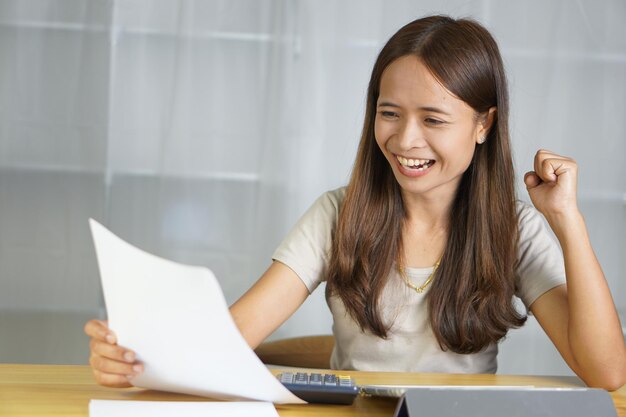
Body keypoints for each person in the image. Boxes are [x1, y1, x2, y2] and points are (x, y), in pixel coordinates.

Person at [84, 15, 626, 390]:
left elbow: (605, 373)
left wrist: (567, 221)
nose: (405, 139)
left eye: (433, 119)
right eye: (389, 113)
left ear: (484, 123)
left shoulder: (515, 232)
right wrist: (134, 356)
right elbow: (231, 335)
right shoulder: (338, 214)